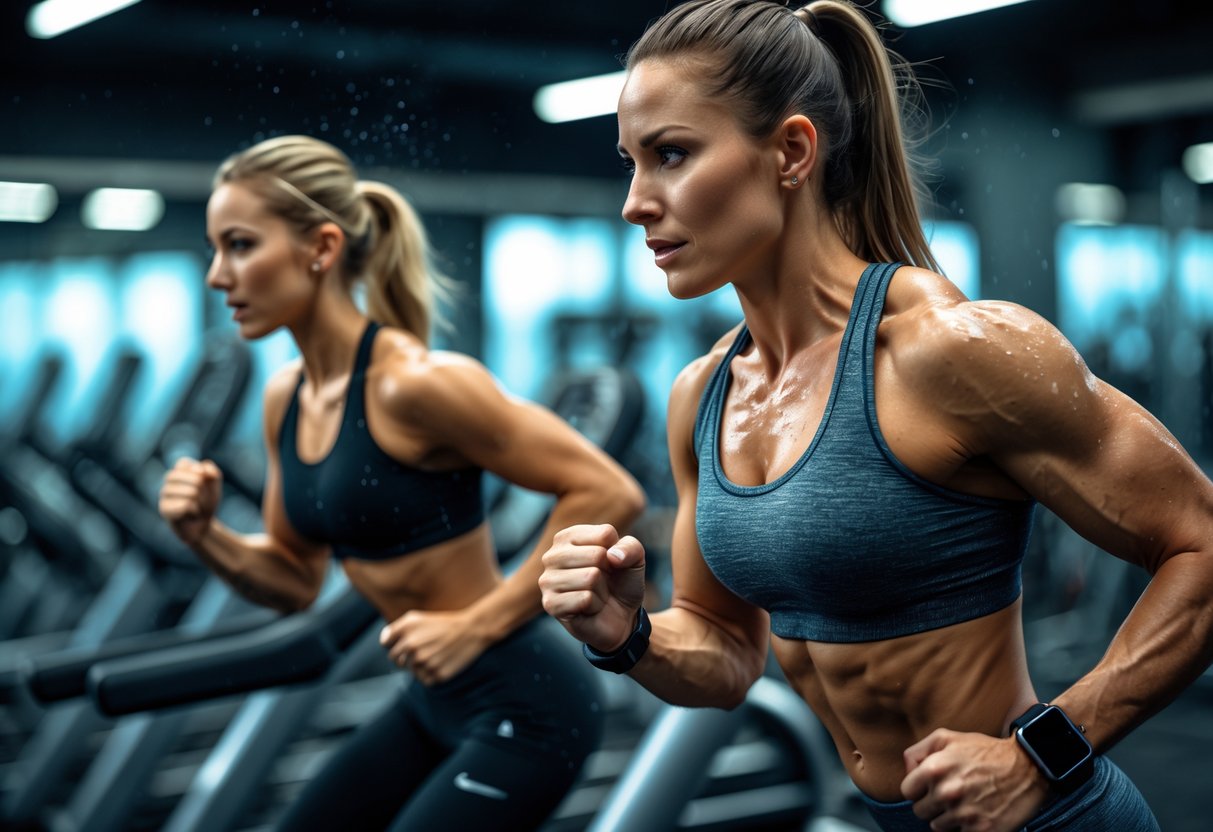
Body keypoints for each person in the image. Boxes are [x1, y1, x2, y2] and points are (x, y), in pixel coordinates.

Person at [538, 2, 1213, 830]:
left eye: (670, 155)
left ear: (790, 152)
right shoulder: (702, 395)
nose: (635, 201)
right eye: (630, 163)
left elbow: (1202, 544)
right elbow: (723, 653)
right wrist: (625, 634)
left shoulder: (948, 351)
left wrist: (1046, 751)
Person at [158, 134, 646, 831]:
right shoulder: (285, 397)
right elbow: (295, 581)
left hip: (526, 701)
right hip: (429, 697)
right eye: (216, 249)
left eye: (238, 245)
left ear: (321, 249)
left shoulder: (417, 383)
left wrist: (473, 627)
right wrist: (203, 534)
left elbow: (608, 491)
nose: (216, 274)